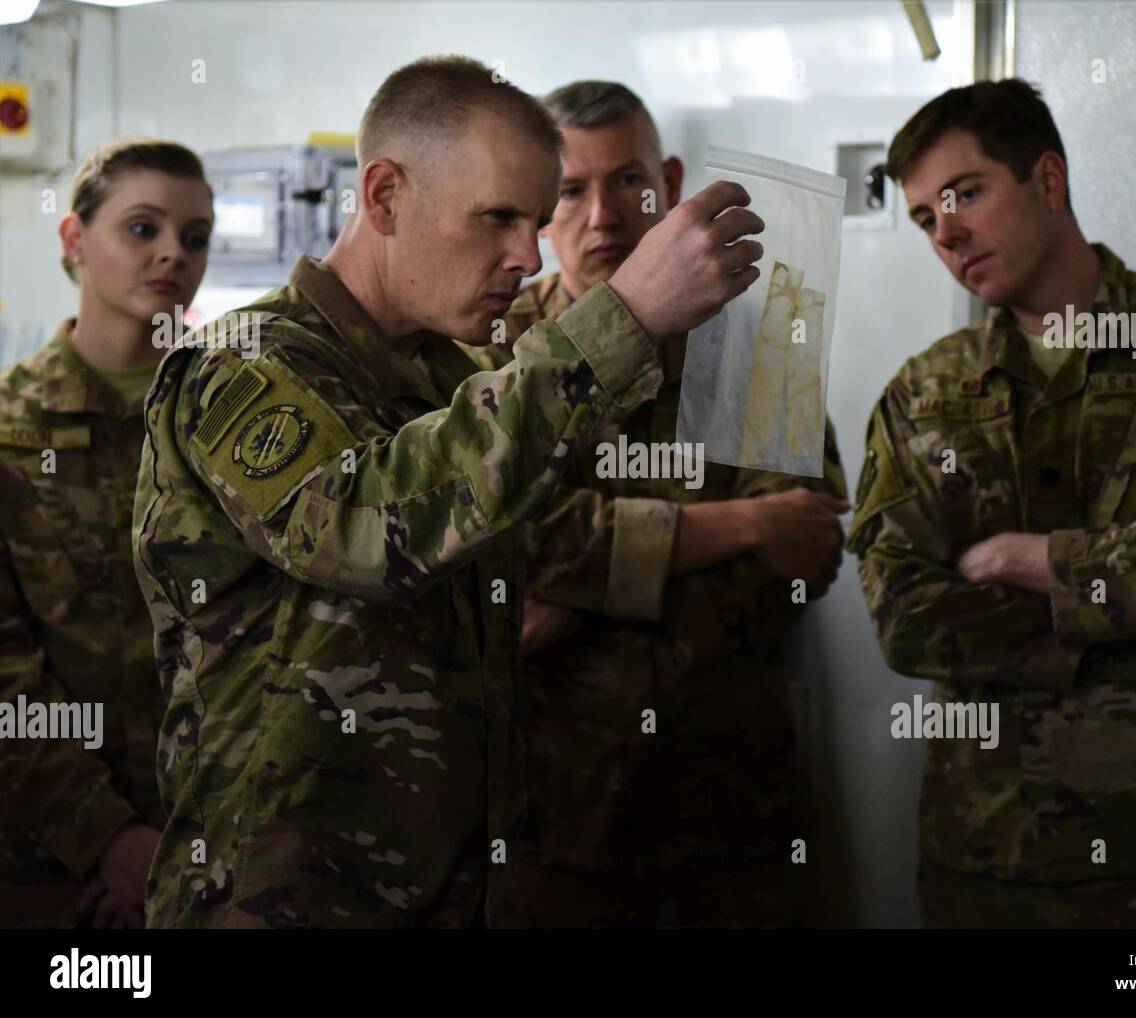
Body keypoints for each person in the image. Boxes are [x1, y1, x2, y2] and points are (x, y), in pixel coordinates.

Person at [131, 55, 765, 928]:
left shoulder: (452, 380)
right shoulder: (244, 362)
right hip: (287, 901)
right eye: (499, 216)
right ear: (385, 196)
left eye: (536, 221)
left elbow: (542, 549)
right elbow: (364, 525)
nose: (527, 254)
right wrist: (622, 319)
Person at [848, 78, 1136, 928]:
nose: (945, 234)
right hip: (988, 858)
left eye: (965, 194)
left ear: (1048, 180)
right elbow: (906, 619)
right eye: (923, 219)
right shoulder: (923, 394)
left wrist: (1028, 560)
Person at [460, 81, 847, 927]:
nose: (603, 217)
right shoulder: (490, 352)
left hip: (732, 807)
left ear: (667, 182)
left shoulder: (753, 349)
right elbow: (488, 543)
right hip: (547, 807)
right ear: (538, 206)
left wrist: (581, 597)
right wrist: (736, 527)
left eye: (627, 182)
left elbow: (803, 559)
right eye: (569, 189)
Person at [0, 139, 213, 928]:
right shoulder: (10, 430)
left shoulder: (225, 421)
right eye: (142, 228)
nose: (172, 254)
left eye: (194, 237)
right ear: (74, 241)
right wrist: (108, 838)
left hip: (220, 849)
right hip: (53, 866)